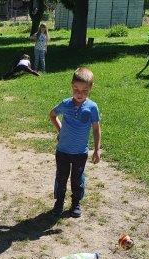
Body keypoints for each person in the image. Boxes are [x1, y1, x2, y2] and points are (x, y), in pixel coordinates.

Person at [48, 67, 102, 218]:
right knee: (61, 178)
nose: (80, 94)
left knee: (77, 179)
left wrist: (97, 150)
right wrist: (61, 130)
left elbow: (96, 129)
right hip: (62, 151)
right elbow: (52, 115)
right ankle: (59, 202)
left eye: (85, 90)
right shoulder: (66, 104)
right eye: (76, 89)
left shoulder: (92, 107)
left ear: (91, 88)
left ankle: (76, 203)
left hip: (80, 153)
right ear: (72, 86)